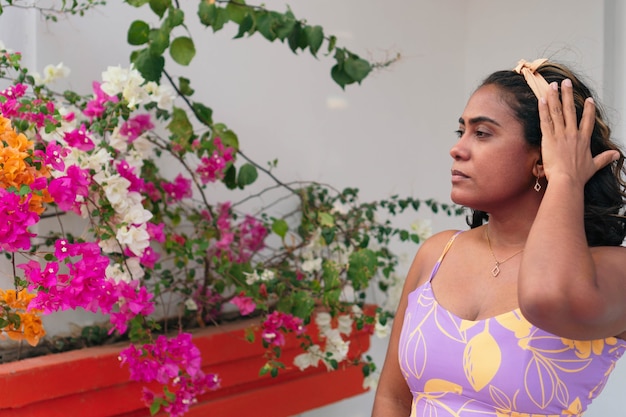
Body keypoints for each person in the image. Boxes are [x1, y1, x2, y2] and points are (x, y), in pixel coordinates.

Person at [371, 58, 626, 417]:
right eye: (461, 131)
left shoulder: (613, 269)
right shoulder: (437, 252)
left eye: (482, 133)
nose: (457, 148)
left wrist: (567, 178)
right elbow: (393, 400)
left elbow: (546, 299)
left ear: (543, 160)